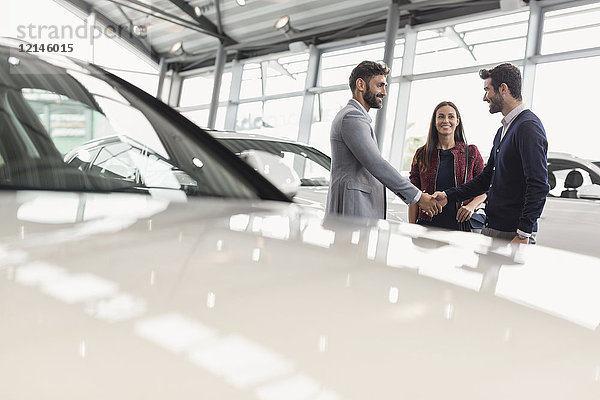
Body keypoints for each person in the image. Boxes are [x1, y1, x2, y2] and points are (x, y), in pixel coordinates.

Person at [433, 63, 549, 244]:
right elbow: (487, 178)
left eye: (487, 90)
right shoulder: (503, 131)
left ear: (503, 89)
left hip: (513, 234)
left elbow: (539, 184)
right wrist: (448, 196)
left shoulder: (528, 127)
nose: (484, 97)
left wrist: (524, 233)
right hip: (494, 227)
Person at [326, 60, 441, 220]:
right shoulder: (352, 116)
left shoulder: (353, 116)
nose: (384, 92)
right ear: (361, 84)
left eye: (385, 86)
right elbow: (376, 164)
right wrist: (418, 197)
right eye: (380, 85)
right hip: (352, 208)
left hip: (354, 208)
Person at [408, 101, 487, 230]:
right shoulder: (422, 154)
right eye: (441, 116)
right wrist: (412, 227)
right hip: (426, 225)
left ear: (457, 121)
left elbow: (485, 188)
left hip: (460, 226)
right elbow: (413, 193)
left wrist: (471, 206)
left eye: (451, 116)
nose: (446, 120)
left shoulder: (471, 152)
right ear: (434, 121)